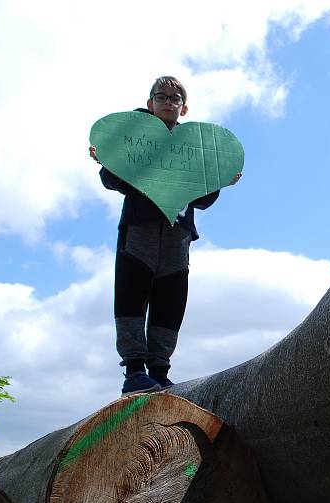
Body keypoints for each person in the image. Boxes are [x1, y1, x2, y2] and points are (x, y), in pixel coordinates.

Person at [89, 76, 241, 395]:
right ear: (150, 104)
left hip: (178, 236)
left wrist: (221, 180)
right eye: (161, 97)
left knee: (170, 300)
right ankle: (133, 371)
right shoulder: (133, 137)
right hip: (140, 231)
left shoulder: (195, 147)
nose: (168, 102)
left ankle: (159, 370)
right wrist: (109, 157)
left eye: (175, 98)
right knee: (131, 294)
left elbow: (203, 199)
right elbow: (111, 179)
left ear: (184, 107)